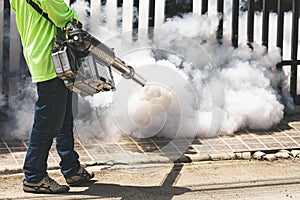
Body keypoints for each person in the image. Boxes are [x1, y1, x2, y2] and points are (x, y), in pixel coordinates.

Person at [10, 0, 94, 194]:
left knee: (63, 115)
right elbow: (62, 16)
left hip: (39, 52)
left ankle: (71, 168)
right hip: (52, 58)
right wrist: (73, 17)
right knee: (48, 121)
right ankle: (34, 176)